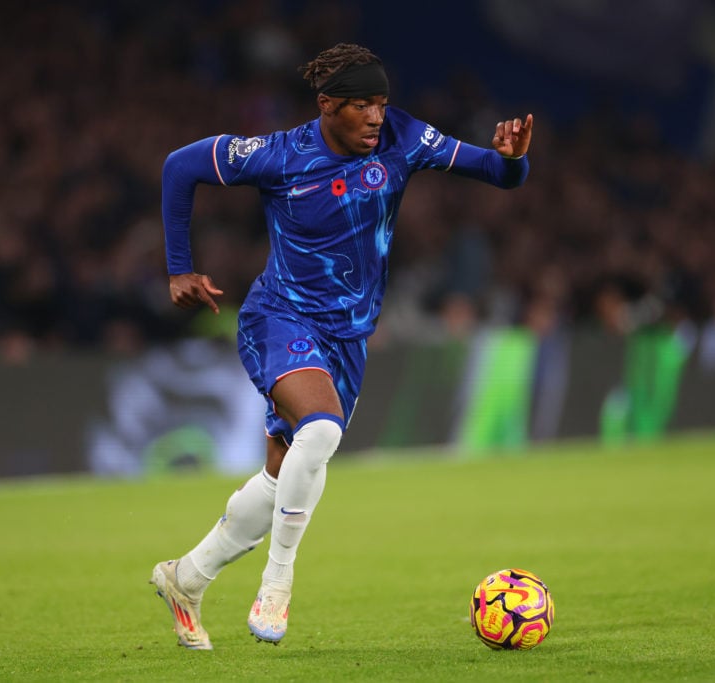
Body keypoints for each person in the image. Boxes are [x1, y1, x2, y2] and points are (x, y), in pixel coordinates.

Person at [151, 43, 533, 649]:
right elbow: (180, 166)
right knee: (322, 430)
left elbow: (495, 172)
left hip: (348, 338)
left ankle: (186, 578)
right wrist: (179, 268)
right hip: (279, 318)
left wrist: (512, 162)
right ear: (328, 106)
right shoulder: (280, 154)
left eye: (381, 104)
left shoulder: (404, 139)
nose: (376, 117)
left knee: (283, 477)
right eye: (362, 106)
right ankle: (277, 585)